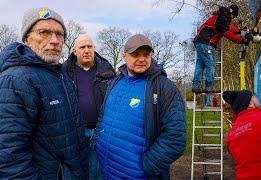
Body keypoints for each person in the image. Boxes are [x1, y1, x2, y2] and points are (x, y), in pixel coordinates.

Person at [0, 8, 88, 179]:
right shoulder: (15, 80)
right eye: (44, 33)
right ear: (26, 38)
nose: (54, 41)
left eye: (59, 34)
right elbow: (9, 155)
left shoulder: (60, 74)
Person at [95, 34, 186, 179]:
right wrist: (97, 141)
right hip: (107, 170)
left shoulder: (164, 87)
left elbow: (176, 138)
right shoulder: (115, 82)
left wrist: (147, 166)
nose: (142, 59)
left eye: (146, 54)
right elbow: (103, 116)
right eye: (135, 54)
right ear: (125, 56)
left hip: (137, 175)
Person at [65, 34, 115, 180]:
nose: (86, 50)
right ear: (75, 51)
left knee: (99, 170)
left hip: (101, 131)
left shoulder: (108, 71)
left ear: (94, 49)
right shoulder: (64, 72)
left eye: (89, 46)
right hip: (76, 131)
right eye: (82, 47)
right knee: (78, 169)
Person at [192, 4, 252, 93]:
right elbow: (228, 34)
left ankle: (195, 86)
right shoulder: (222, 19)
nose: (234, 18)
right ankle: (209, 87)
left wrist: (240, 31)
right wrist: (242, 40)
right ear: (231, 13)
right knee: (210, 64)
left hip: (200, 42)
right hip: (207, 43)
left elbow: (230, 29)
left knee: (200, 65)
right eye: (234, 16)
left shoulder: (221, 17)